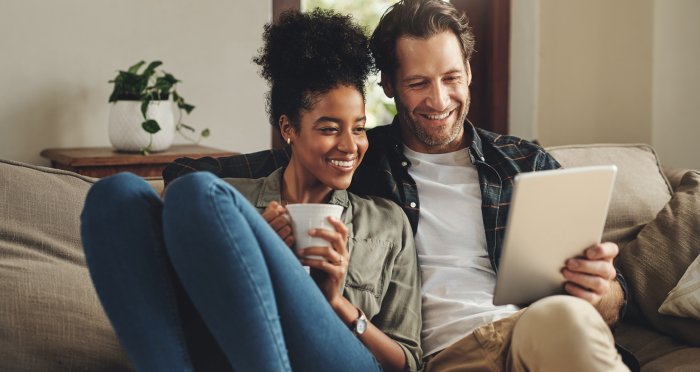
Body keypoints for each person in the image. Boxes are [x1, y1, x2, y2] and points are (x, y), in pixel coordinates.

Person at [163, 1, 632, 371]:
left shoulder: (526, 163)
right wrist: (255, 223)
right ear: (388, 84)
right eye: (418, 83)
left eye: (451, 78)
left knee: (568, 317)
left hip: (539, 334)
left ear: (469, 70)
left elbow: (614, 301)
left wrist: (602, 290)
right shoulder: (359, 157)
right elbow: (191, 180)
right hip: (450, 356)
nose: (439, 99)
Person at [81, 9, 421, 372]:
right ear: (288, 128)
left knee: (196, 191)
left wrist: (337, 303)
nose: (350, 146)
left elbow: (408, 362)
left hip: (340, 360)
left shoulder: (386, 222)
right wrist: (256, 249)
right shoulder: (232, 205)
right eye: (329, 129)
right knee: (114, 195)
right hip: (233, 354)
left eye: (358, 128)